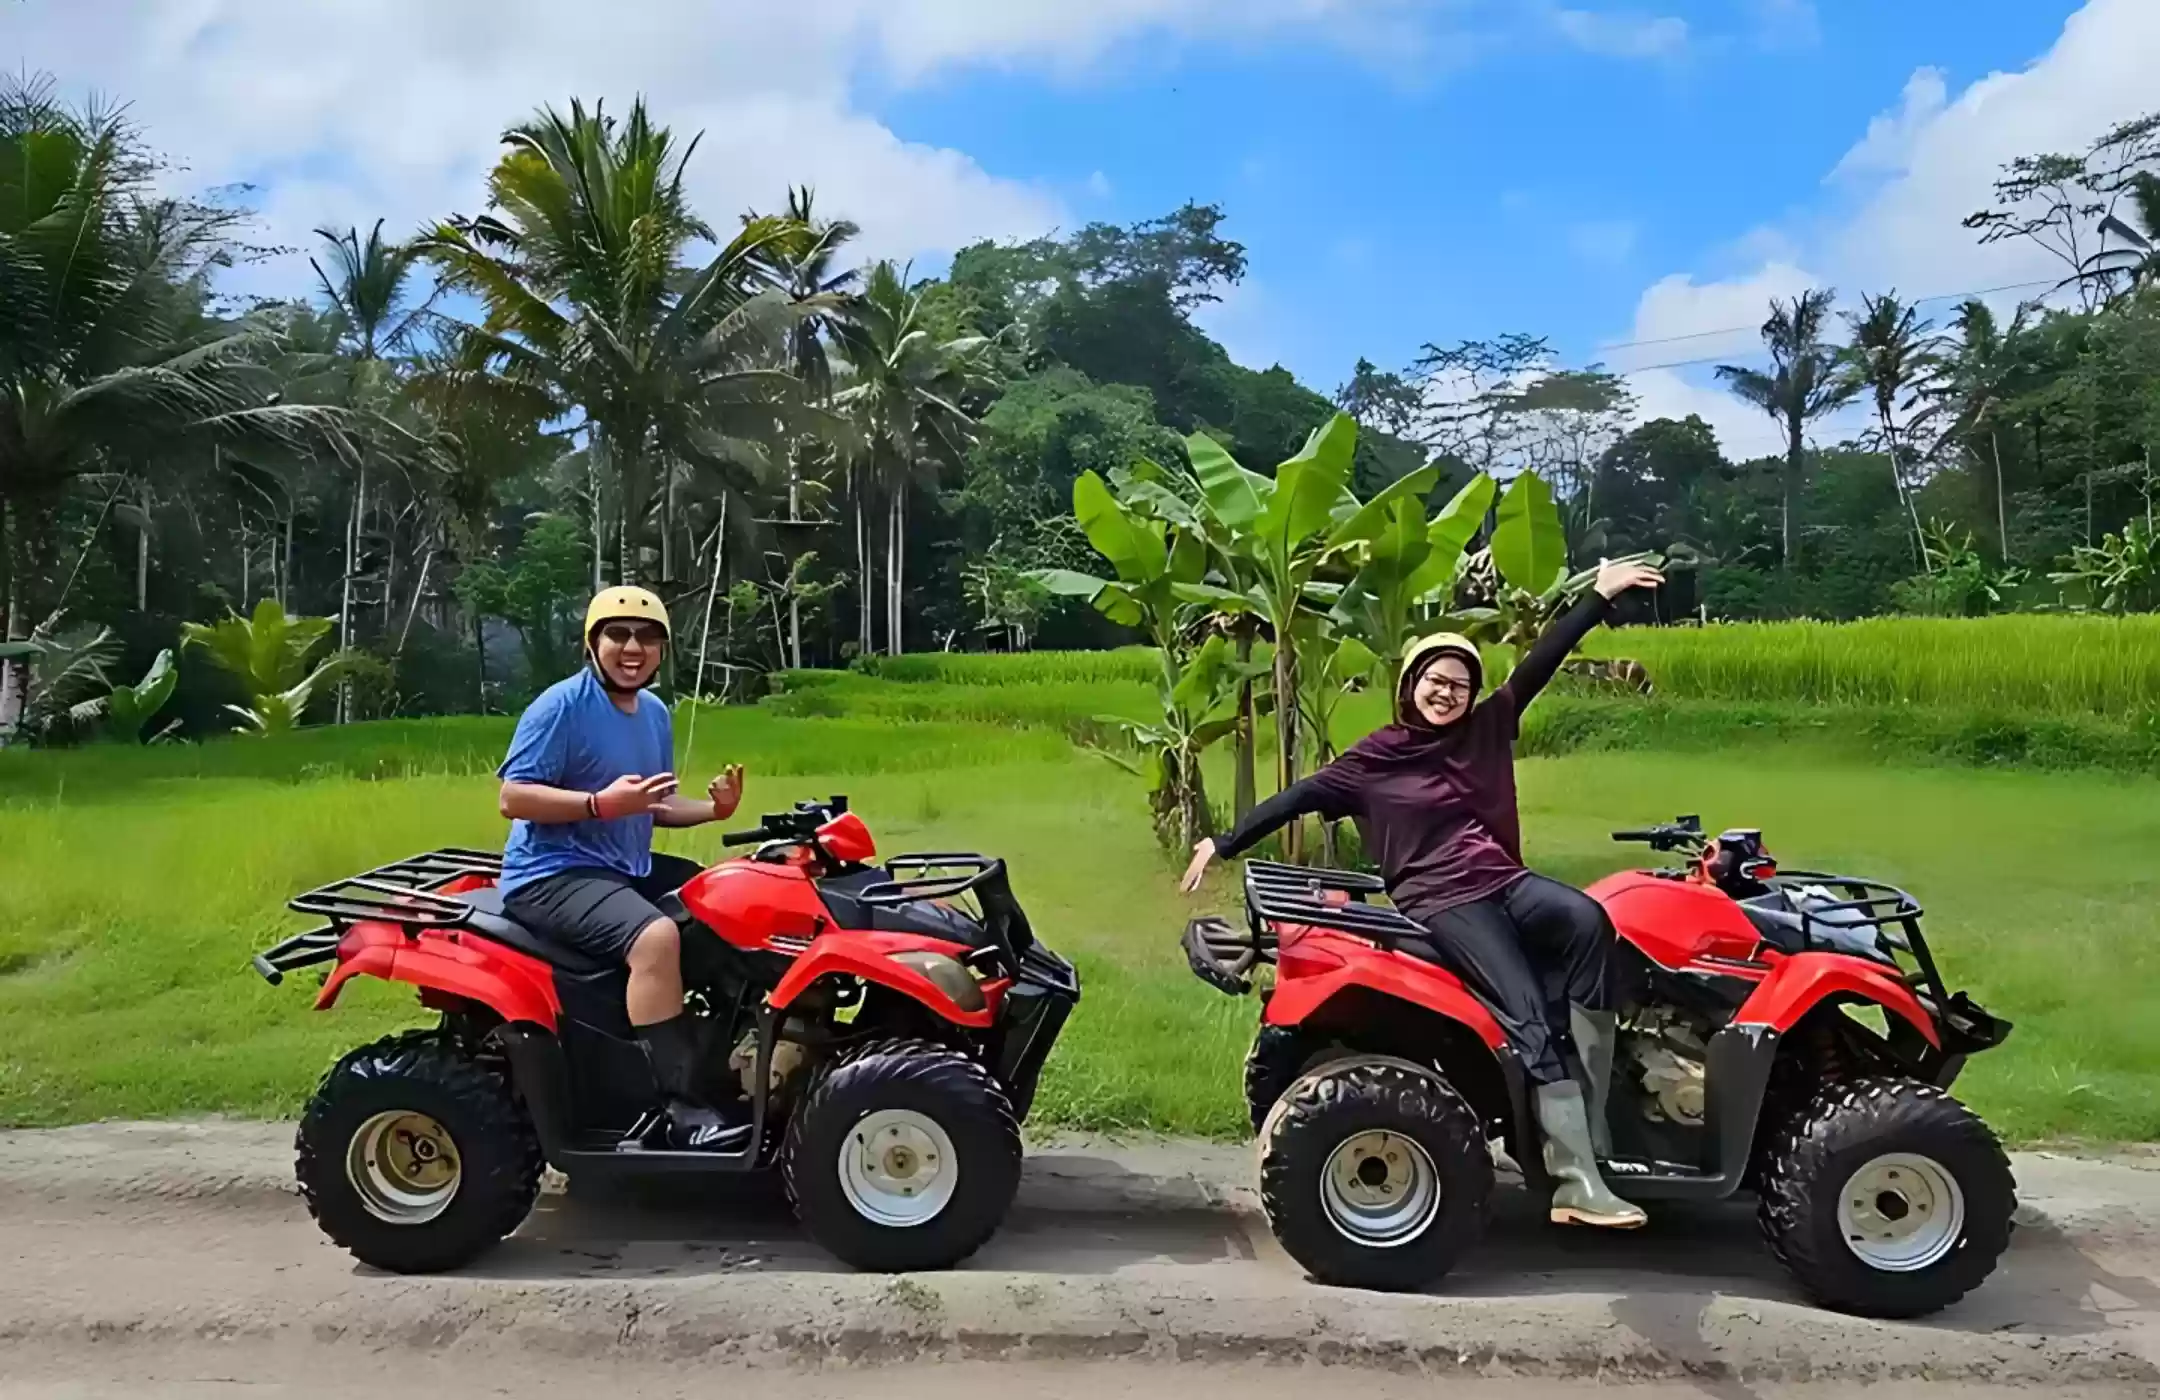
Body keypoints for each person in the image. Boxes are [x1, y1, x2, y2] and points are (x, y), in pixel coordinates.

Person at [1181, 559, 1665, 1229]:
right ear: (1412, 686)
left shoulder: (1486, 727)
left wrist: (1598, 598)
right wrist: (1224, 842)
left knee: (1589, 921)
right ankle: (1576, 1180)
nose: (1447, 693)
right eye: (1436, 681)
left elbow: (1539, 664)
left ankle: (1593, 1123)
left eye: (1460, 684)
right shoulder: (1374, 758)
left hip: (1504, 879)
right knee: (1524, 1009)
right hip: (1441, 898)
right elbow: (1299, 797)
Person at [495, 586, 749, 1151]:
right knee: (655, 938)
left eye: (648, 637)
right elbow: (513, 798)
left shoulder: (654, 713)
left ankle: (727, 1063)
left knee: (731, 900)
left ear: (662, 650)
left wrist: (716, 810)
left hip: (623, 866)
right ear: (593, 643)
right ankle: (681, 1108)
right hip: (552, 873)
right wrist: (597, 804)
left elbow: (655, 804)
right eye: (619, 634)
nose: (633, 648)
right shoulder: (560, 706)